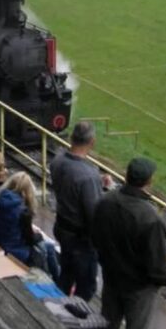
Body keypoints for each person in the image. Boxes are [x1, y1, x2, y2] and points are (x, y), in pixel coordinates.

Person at [92, 158, 166, 329]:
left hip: (111, 277)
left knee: (106, 328)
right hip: (139, 288)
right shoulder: (150, 218)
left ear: (127, 176)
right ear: (148, 181)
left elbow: (96, 236)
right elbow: (157, 264)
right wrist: (159, 282)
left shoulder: (105, 201)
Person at [51, 121, 109, 301]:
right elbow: (94, 214)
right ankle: (73, 319)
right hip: (80, 239)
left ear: (71, 137)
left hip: (62, 227)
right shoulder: (87, 175)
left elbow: (73, 181)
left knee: (66, 273)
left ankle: (58, 308)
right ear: (92, 142)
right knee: (86, 286)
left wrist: (97, 181)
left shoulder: (57, 161)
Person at [0, 172, 60, 281]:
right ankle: (58, 281)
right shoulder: (23, 211)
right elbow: (30, 239)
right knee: (49, 247)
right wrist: (38, 235)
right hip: (15, 251)